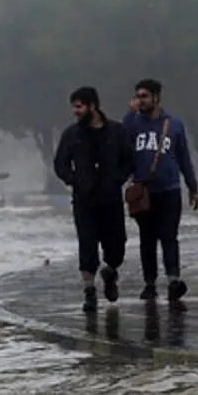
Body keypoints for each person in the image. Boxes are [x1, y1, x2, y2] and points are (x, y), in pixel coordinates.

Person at [53, 86, 135, 313]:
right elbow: (60, 163)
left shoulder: (116, 132)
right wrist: (74, 180)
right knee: (87, 245)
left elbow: (129, 160)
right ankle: (89, 290)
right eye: (74, 107)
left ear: (93, 106)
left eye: (79, 107)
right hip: (84, 200)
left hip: (111, 199)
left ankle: (110, 272)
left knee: (117, 246)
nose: (75, 112)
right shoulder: (72, 135)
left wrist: (117, 179)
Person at [123, 78, 198, 304]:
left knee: (169, 236)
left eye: (144, 96)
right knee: (147, 239)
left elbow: (184, 157)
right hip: (143, 192)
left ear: (156, 98)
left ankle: (173, 280)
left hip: (169, 189)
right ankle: (149, 283)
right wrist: (129, 114)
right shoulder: (133, 124)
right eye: (137, 96)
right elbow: (120, 141)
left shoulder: (174, 125)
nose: (140, 101)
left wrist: (192, 187)